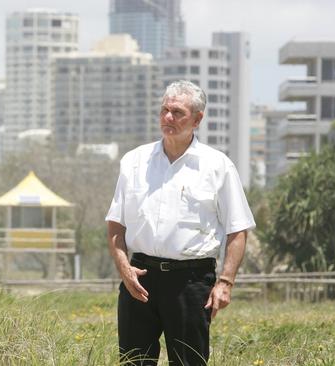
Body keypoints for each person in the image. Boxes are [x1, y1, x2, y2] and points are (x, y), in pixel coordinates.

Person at [105, 80, 255, 365]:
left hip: (191, 281)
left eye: (177, 112)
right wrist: (124, 268)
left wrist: (225, 282)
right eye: (164, 110)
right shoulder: (134, 162)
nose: (168, 118)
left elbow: (238, 229)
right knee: (133, 361)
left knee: (190, 362)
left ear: (198, 119)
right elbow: (115, 224)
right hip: (140, 277)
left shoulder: (217, 166)